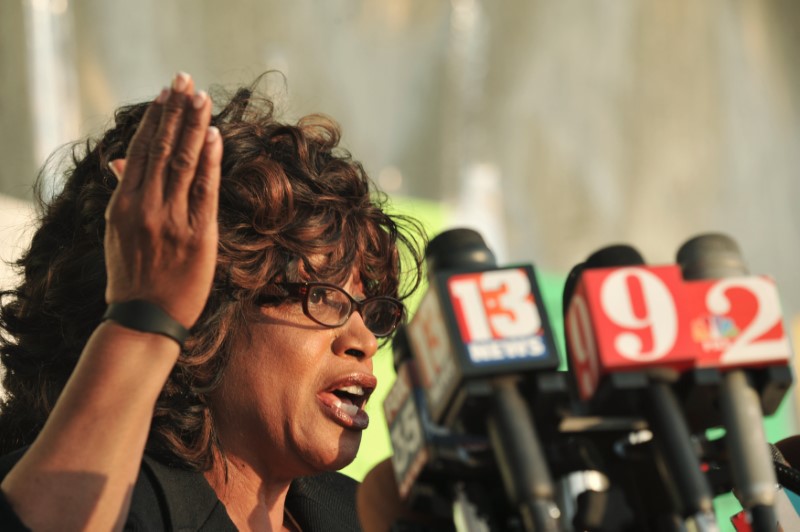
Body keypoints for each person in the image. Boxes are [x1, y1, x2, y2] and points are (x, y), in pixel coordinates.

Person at [0, 71, 425, 530]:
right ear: (204, 313)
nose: (363, 340)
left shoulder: (361, 515)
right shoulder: (99, 502)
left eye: (371, 310)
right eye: (322, 296)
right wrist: (144, 320)